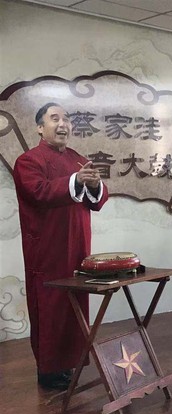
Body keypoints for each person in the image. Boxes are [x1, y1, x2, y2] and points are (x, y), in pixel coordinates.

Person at [13, 103, 108, 390]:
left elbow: (98, 201)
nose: (63, 123)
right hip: (47, 249)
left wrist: (93, 184)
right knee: (51, 305)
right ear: (40, 127)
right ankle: (49, 370)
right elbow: (39, 193)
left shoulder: (78, 159)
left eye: (66, 119)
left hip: (79, 246)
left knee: (75, 303)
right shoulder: (28, 161)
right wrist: (75, 181)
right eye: (55, 118)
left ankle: (71, 365)